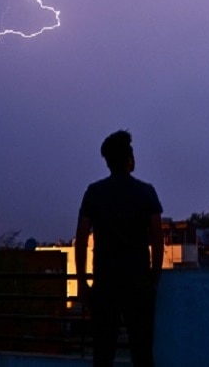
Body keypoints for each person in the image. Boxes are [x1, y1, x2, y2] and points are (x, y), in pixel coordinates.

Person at [75, 130, 164, 367]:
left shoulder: (94, 193)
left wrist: (83, 282)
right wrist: (154, 277)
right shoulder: (146, 192)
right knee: (143, 353)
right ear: (129, 158)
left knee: (103, 355)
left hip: (105, 285)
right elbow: (157, 239)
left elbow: (81, 240)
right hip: (139, 286)